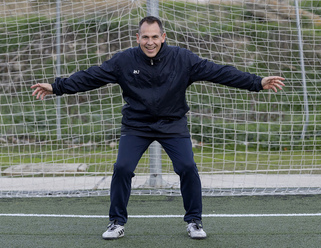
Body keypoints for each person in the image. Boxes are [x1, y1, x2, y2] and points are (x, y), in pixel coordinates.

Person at [31, 16, 285, 240]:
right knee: (122, 168)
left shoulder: (182, 59)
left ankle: (194, 221)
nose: (150, 42)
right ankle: (116, 222)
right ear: (138, 38)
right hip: (137, 125)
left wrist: (256, 82)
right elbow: (91, 76)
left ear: (163, 37)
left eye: (155, 36)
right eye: (145, 37)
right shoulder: (124, 60)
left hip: (172, 123)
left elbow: (219, 72)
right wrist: (57, 87)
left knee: (187, 167)